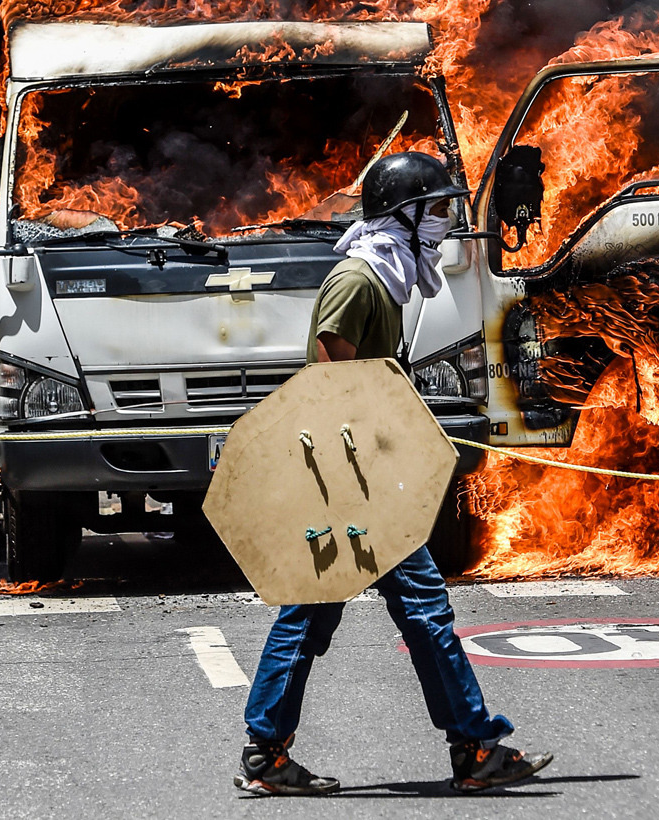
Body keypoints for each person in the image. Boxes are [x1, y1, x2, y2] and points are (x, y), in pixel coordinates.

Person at [234, 152, 554, 797]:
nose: (443, 224)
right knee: (418, 610)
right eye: (435, 211)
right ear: (401, 216)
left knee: (310, 612)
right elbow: (333, 382)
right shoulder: (358, 282)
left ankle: (268, 753)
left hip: (354, 479)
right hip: (352, 486)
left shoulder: (387, 279)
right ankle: (474, 747)